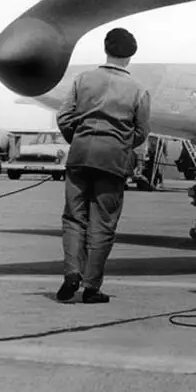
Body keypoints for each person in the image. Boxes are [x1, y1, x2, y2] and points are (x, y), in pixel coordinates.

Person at [55, 27, 151, 304]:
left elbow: (64, 117)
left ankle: (71, 273)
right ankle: (91, 287)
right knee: (103, 223)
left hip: (80, 156)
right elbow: (142, 130)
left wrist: (80, 139)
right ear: (131, 56)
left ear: (105, 49)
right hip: (112, 161)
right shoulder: (139, 90)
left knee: (74, 218)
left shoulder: (83, 79)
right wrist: (119, 144)